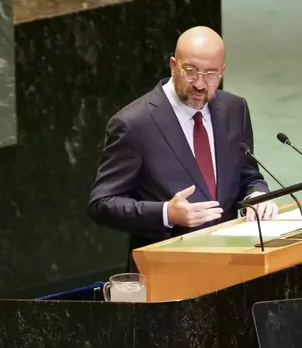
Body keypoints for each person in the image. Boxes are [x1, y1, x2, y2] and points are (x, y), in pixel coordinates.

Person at [88, 26, 277, 269]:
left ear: (222, 71)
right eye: (190, 71)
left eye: (210, 74)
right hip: (168, 268)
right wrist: (167, 213)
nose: (200, 84)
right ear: (173, 65)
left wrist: (258, 195)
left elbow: (248, 175)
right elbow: (102, 204)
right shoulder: (134, 124)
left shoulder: (235, 109)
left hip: (232, 262)